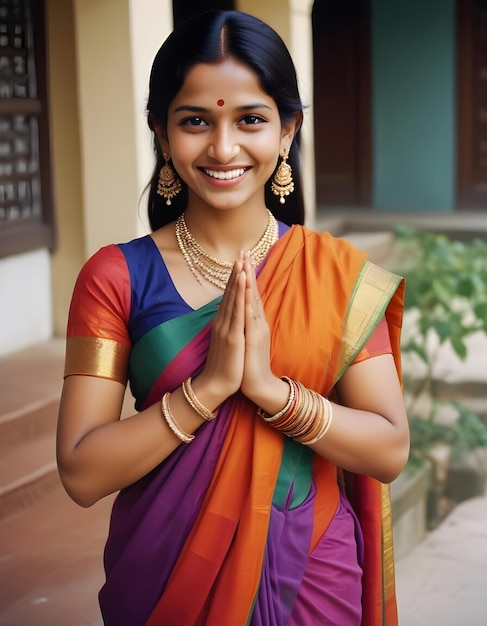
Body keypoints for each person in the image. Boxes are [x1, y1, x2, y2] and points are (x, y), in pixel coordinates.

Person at [56, 9, 409, 626]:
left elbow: (389, 449)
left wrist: (271, 392)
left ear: (288, 129)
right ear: (162, 134)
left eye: (250, 119)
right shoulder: (114, 278)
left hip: (312, 581)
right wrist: (209, 388)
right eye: (196, 121)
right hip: (167, 575)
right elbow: (82, 473)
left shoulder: (335, 275)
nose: (223, 147)